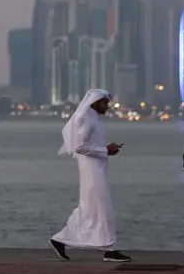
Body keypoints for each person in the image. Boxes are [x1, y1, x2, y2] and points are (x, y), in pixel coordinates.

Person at [49, 88, 130, 263]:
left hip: (98, 169)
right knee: (102, 208)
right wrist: (105, 149)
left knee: (91, 209)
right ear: (95, 103)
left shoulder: (96, 121)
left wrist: (107, 149)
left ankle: (60, 239)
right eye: (104, 103)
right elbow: (79, 147)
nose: (107, 106)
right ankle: (110, 249)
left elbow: (92, 145)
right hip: (91, 172)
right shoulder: (85, 120)